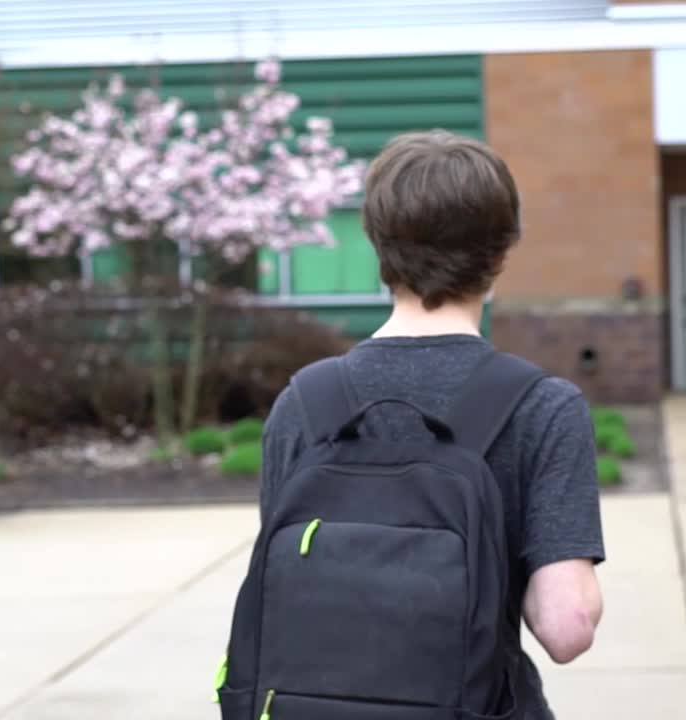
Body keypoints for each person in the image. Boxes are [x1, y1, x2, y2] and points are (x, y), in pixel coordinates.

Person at [257, 130, 605, 719]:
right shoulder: (542, 407)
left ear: (378, 247)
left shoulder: (304, 402)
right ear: (501, 253)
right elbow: (565, 627)